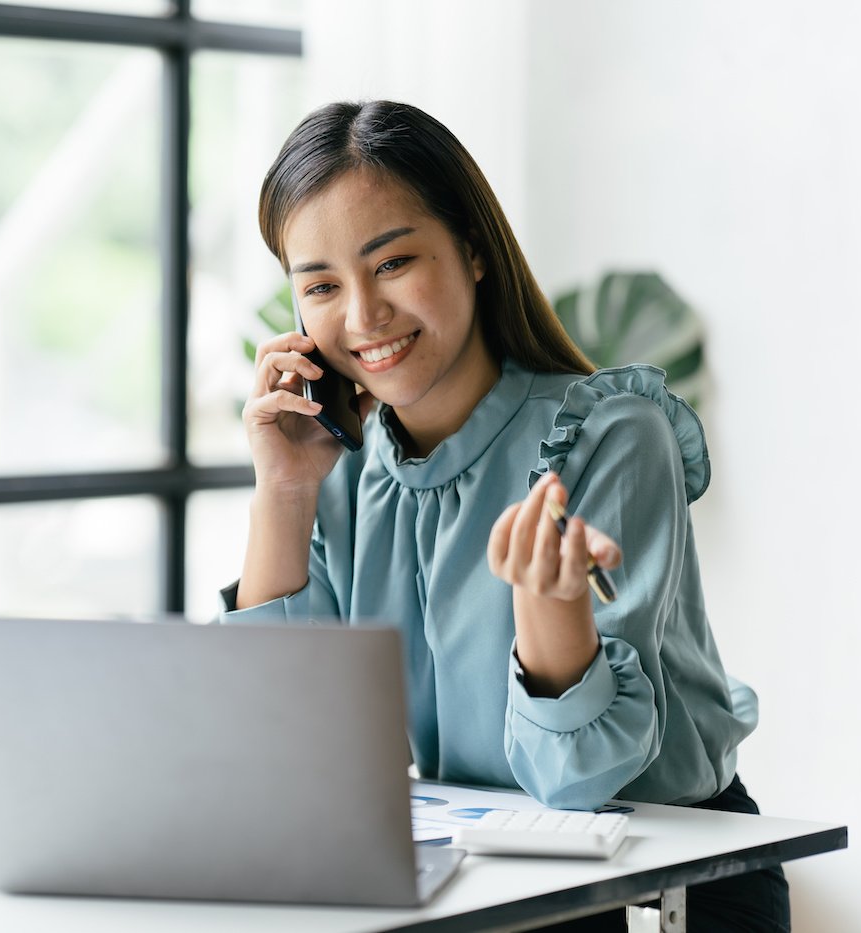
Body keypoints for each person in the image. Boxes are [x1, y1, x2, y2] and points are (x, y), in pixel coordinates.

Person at [220, 100, 790, 932]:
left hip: (668, 885)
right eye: (321, 286)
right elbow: (277, 760)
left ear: (475, 251)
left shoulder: (611, 434)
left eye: (393, 262)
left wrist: (551, 614)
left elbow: (581, 778)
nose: (363, 315)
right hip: (487, 884)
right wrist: (284, 494)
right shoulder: (337, 468)